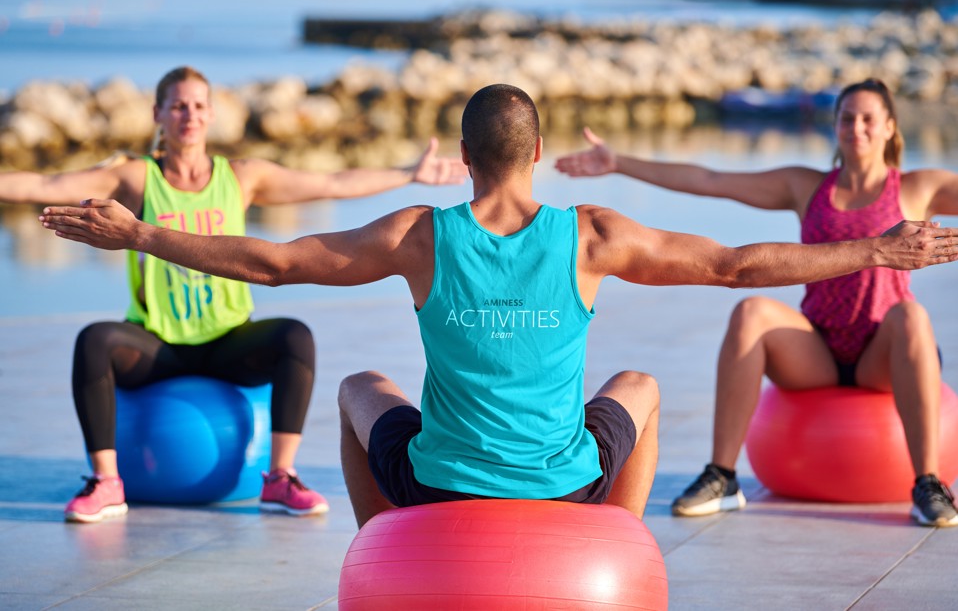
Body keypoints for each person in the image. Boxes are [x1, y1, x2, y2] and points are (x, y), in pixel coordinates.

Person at [38, 83, 958, 529]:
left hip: (438, 484)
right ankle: (613, 538)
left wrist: (143, 233)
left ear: (468, 157)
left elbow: (275, 265)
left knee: (359, 387)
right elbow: (733, 266)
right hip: (566, 485)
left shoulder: (419, 236)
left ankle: (389, 543)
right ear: (539, 153)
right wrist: (876, 249)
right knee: (639, 387)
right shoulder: (592, 236)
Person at [0, 65, 468, 524]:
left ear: (212, 113)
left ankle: (281, 477)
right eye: (178, 106)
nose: (189, 115)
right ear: (158, 114)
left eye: (198, 105)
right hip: (156, 345)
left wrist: (408, 173)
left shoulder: (241, 177)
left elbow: (331, 183)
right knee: (94, 341)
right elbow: (46, 184)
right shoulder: (137, 178)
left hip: (228, 341)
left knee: (294, 337)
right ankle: (106, 483)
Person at [555, 78, 958, 527]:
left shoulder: (918, 187)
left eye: (868, 119)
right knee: (751, 312)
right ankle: (722, 476)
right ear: (835, 125)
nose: (856, 128)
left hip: (884, 354)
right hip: (819, 349)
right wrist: (618, 162)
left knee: (911, 315)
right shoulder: (806, 186)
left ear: (890, 127)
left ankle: (928, 484)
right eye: (847, 118)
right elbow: (710, 180)